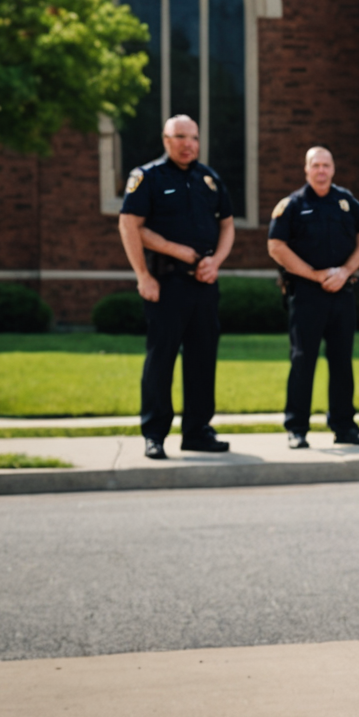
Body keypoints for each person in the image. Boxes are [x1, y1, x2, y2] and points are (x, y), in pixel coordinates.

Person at [118, 114, 235, 460]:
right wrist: (144, 275)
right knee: (161, 360)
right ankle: (154, 434)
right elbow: (129, 226)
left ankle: (197, 431)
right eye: (181, 137)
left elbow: (227, 225)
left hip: (204, 284)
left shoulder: (209, 179)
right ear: (166, 140)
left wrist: (217, 261)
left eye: (194, 138)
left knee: (202, 360)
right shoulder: (147, 177)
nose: (188, 144)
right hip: (165, 284)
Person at [266, 147, 359, 449]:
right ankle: (297, 427)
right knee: (303, 360)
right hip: (307, 294)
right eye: (316, 165)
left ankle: (344, 426)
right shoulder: (293, 205)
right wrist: (315, 275)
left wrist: (345, 271)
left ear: (333, 168)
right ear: (307, 169)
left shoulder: (346, 201)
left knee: (342, 361)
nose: (321, 170)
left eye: (326, 165)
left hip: (343, 292)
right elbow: (276, 246)